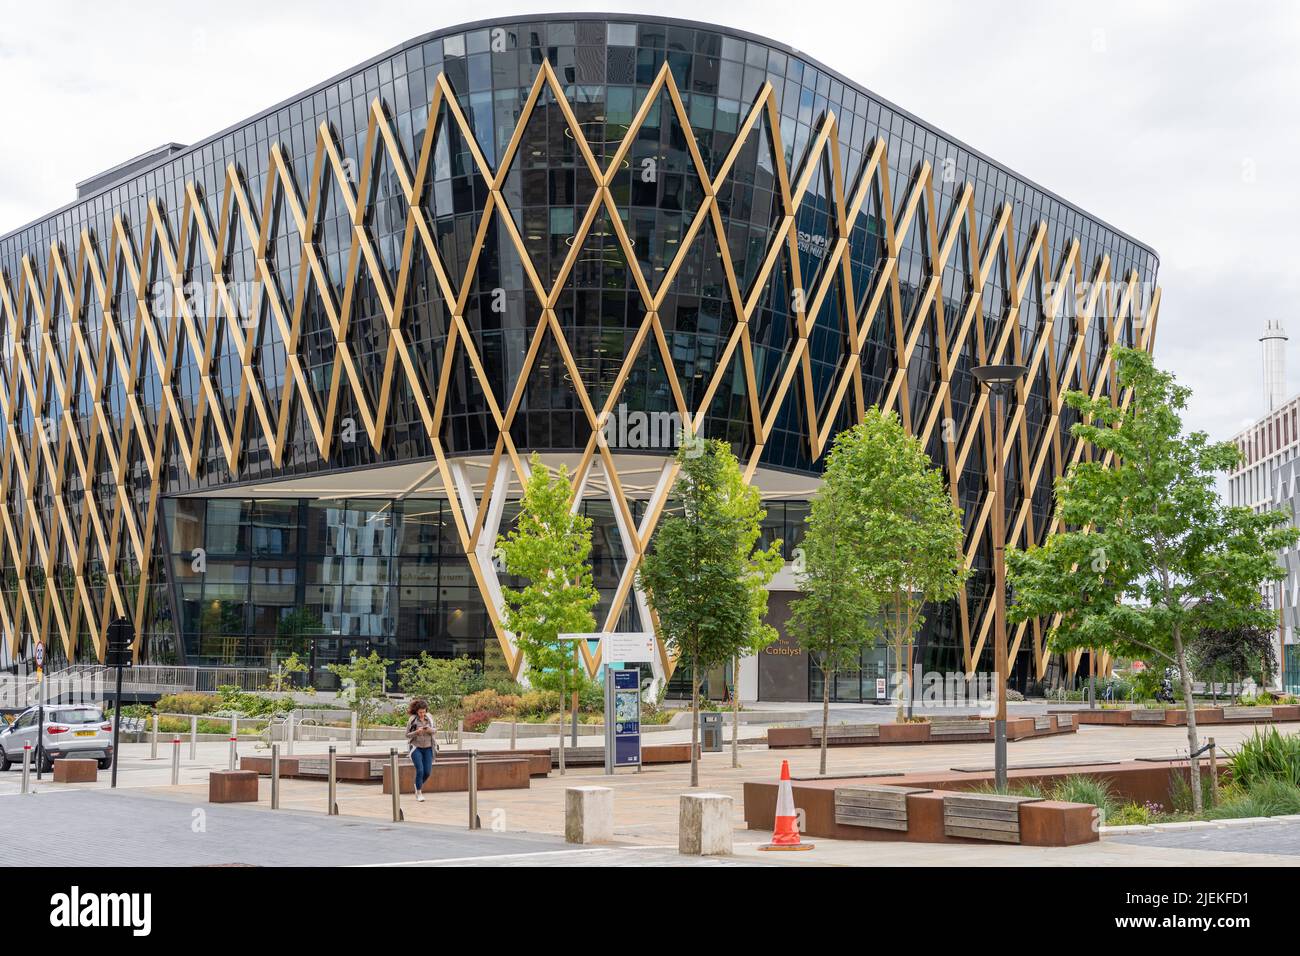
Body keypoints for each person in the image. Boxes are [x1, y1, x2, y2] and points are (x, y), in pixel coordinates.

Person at [405, 699, 437, 801]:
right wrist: (416, 732)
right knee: (420, 770)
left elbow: (435, 730)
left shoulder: (430, 718)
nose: (422, 714)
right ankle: (419, 792)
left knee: (427, 772)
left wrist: (429, 730)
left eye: (424, 711)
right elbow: (407, 734)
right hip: (416, 748)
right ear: (416, 711)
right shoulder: (412, 720)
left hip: (428, 748)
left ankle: (417, 784)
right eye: (420, 712)